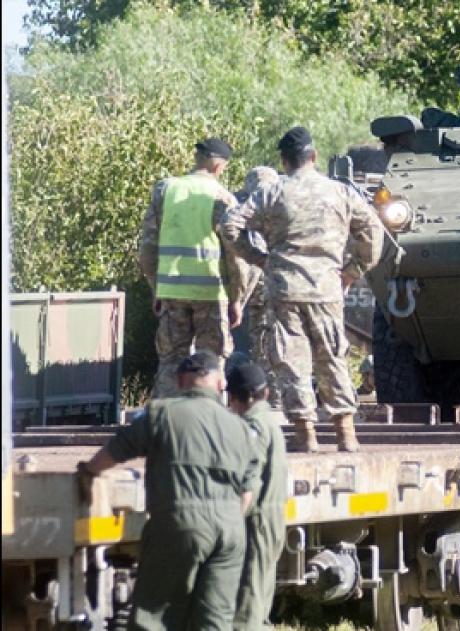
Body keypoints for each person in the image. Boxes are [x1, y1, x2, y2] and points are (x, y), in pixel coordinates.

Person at [220, 126, 384, 452]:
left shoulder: (272, 192)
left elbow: (230, 224)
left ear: (284, 161)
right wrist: (352, 271)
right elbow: (373, 233)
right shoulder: (340, 192)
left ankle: (305, 434)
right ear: (314, 157)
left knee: (293, 360)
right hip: (327, 287)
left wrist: (258, 257)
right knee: (333, 356)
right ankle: (345, 434)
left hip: (284, 288)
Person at [75, 351, 259, 630]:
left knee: (154, 616)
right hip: (231, 530)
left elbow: (118, 449)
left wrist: (89, 471)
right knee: (215, 620)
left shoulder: (162, 412)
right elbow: (248, 492)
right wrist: (228, 519)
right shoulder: (241, 427)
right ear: (219, 383)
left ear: (181, 380)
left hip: (179, 523)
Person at [138, 138, 254, 397]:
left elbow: (147, 247)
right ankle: (209, 418)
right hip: (211, 295)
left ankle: (166, 422)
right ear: (218, 166)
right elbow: (236, 256)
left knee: (170, 362)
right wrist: (237, 299)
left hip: (171, 292)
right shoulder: (222, 198)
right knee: (212, 363)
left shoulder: (165, 190)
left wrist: (156, 287)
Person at [227, 361, 288, 630]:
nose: (230, 406)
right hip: (272, 519)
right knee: (260, 599)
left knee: (247, 607)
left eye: (231, 398)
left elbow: (248, 481)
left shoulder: (254, 426)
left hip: (256, 523)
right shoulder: (270, 421)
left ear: (245, 397)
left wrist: (229, 525)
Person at [234, 166, 281, 408]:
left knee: (262, 342)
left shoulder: (246, 209)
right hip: (284, 285)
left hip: (259, 284)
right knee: (279, 341)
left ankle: (268, 397)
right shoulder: (282, 205)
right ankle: (277, 396)